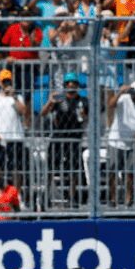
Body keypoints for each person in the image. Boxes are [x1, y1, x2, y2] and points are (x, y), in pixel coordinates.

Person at [40, 71, 87, 206]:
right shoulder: (59, 99)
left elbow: (85, 118)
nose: (71, 88)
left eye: (74, 85)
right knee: (50, 168)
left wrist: (82, 114)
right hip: (58, 137)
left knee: (73, 170)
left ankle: (71, 198)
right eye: (68, 85)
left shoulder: (82, 101)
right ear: (65, 86)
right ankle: (45, 195)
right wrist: (50, 102)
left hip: (74, 138)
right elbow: (43, 113)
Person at [0, 69, 30, 192]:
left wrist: (14, 97)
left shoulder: (18, 97)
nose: (7, 84)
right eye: (4, 81)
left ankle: (16, 196)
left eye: (9, 81)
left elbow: (23, 112)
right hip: (0, 138)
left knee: (16, 169)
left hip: (16, 138)